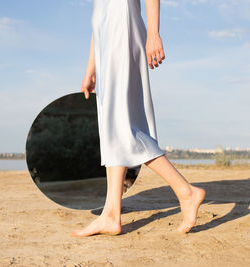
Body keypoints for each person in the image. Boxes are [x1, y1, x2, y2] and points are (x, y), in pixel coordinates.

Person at [71, 0, 205, 237]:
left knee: (123, 127)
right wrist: (91, 68)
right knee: (113, 127)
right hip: (108, 38)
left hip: (122, 30)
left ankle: (185, 191)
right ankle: (111, 214)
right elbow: (99, 17)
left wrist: (153, 33)